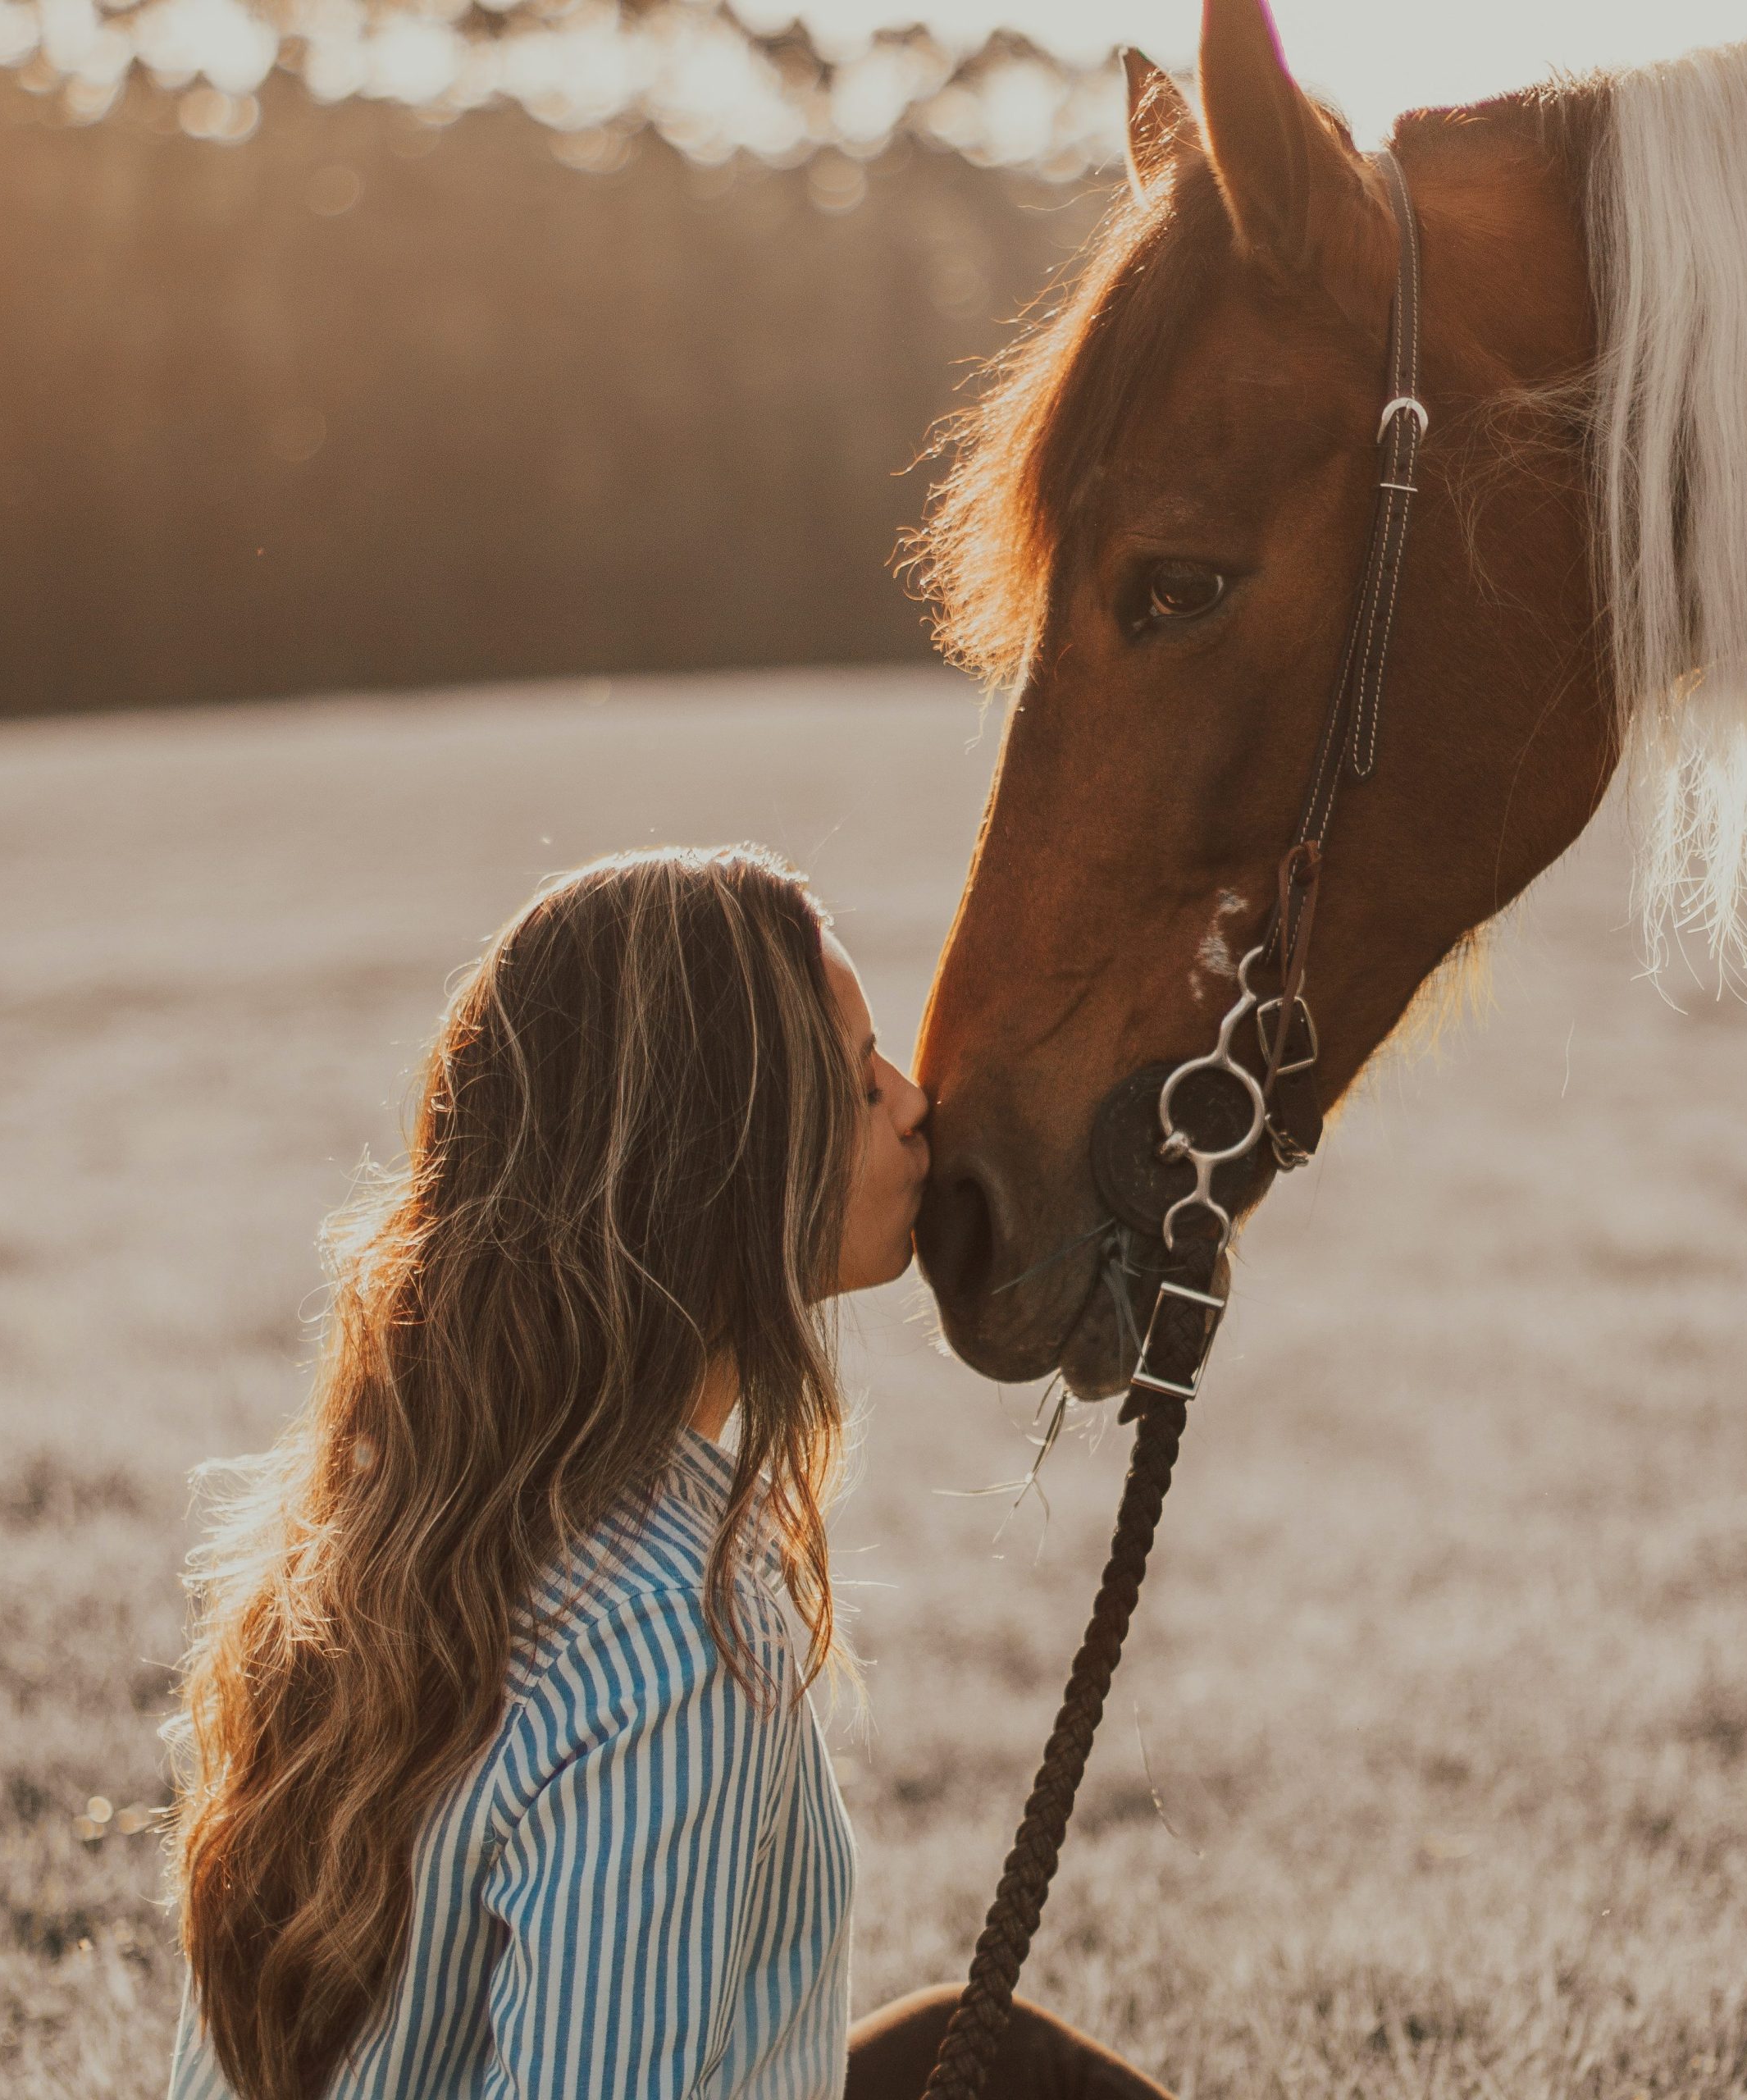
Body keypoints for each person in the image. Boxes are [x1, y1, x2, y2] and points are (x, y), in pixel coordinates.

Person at [164, 845, 1172, 2100]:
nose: (916, 1103)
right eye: (858, 1084)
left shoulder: (383, 1526)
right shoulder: (670, 1656)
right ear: (728, 1166)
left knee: (1004, 2062)